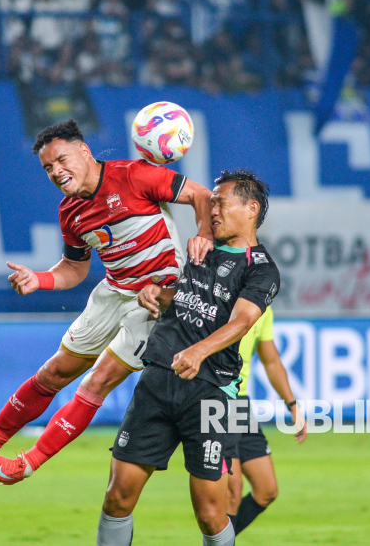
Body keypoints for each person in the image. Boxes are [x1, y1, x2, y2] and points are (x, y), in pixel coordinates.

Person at [0, 119, 214, 481]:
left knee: (97, 381)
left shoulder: (134, 176)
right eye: (48, 167)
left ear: (85, 151)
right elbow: (74, 268)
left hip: (157, 301)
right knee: (52, 373)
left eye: (62, 160)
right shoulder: (71, 212)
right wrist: (40, 279)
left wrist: (204, 234)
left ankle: (27, 463)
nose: (56, 171)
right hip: (114, 292)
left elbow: (202, 195)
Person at [97, 169, 280, 546]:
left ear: (251, 208)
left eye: (221, 201)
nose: (212, 208)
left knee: (211, 514)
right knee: (117, 496)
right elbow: (181, 300)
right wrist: (155, 295)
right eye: (210, 201)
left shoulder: (262, 269)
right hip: (159, 378)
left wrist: (199, 351)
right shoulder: (201, 248)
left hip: (212, 395)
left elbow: (242, 321)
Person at [227, 306, 307, 536]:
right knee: (232, 488)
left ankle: (216, 541)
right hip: (215, 400)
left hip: (239, 405)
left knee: (266, 490)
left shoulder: (262, 307)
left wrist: (292, 405)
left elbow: (271, 361)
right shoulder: (219, 293)